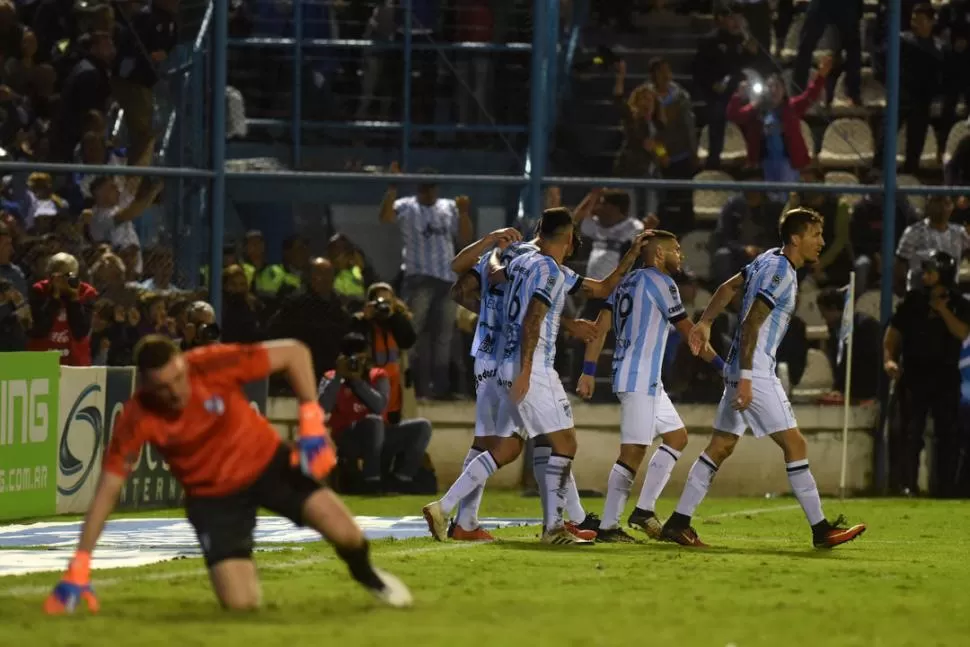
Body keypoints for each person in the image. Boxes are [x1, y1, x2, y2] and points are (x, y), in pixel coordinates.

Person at [43, 336, 412, 614]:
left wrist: (312, 420)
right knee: (241, 605)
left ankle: (370, 577)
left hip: (268, 465)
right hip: (212, 498)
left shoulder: (211, 363)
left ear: (183, 364)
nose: (174, 392)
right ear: (146, 385)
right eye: (162, 387)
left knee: (348, 534)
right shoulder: (138, 416)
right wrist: (80, 563)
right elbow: (108, 490)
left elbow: (294, 352)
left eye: (177, 379)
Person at [424, 208, 643, 545]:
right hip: (525, 360)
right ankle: (554, 525)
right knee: (546, 442)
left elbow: (462, 287)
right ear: (568, 239)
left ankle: (470, 520)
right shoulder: (545, 267)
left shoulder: (509, 254)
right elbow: (535, 315)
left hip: (493, 356)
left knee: (506, 441)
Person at [669, 208, 866, 548]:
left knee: (721, 446)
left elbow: (730, 287)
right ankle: (821, 530)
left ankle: (678, 522)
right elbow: (750, 327)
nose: (821, 242)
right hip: (754, 371)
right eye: (815, 235)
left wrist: (706, 322)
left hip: (742, 369)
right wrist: (746, 379)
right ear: (795, 238)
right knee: (796, 445)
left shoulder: (767, 259)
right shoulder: (781, 273)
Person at [576, 231, 725, 542]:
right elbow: (690, 333)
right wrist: (724, 368)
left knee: (676, 437)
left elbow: (599, 329)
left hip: (638, 376)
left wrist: (589, 370)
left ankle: (643, 510)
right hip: (638, 377)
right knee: (633, 451)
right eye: (676, 250)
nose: (681, 256)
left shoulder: (624, 282)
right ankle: (607, 526)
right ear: (659, 255)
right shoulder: (662, 283)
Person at [884, 251, 970, 497]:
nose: (925, 274)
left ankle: (946, 488)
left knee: (948, 434)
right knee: (909, 433)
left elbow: (962, 333)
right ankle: (907, 485)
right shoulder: (912, 301)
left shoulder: (960, 303)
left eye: (931, 270)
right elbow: (893, 334)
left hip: (945, 377)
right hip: (913, 375)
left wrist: (943, 309)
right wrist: (889, 360)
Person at [320, 333, 432, 494]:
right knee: (373, 422)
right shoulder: (330, 377)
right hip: (348, 437)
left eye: (360, 358)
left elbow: (379, 406)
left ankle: (401, 479)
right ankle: (371, 480)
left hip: (380, 434)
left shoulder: (378, 375)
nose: (357, 363)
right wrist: (339, 376)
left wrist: (358, 382)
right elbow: (322, 407)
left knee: (422, 426)